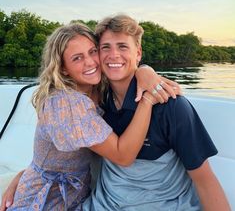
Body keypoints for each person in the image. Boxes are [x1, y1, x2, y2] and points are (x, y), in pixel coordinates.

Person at [0, 22, 178, 211]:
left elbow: (130, 70)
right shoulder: (65, 103)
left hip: (78, 195)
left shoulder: (99, 89)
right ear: (63, 68)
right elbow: (123, 156)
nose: (90, 62)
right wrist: (147, 99)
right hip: (45, 199)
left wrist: (145, 71)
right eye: (77, 58)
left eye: (93, 51)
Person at [80, 14, 230, 211]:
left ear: (138, 53)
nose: (113, 55)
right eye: (105, 47)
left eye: (123, 47)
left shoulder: (171, 107)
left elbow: (205, 181)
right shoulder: (95, 99)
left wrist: (145, 71)